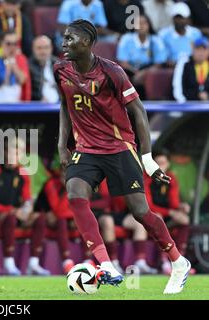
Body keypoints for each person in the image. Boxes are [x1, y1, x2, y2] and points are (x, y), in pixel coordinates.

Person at [56, 19, 191, 293]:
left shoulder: (112, 72)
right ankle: (105, 264)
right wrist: (62, 144)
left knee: (140, 212)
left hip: (119, 147)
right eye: (64, 38)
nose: (64, 43)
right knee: (74, 193)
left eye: (70, 39)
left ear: (88, 43)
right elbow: (65, 104)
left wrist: (148, 158)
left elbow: (139, 111)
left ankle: (178, 262)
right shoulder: (61, 69)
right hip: (87, 149)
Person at [0, 143, 50, 276]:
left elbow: (27, 199)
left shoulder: (23, 173)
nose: (14, 156)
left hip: (16, 214)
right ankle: (8, 263)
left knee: (40, 218)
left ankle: (33, 263)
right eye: (11, 152)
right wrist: (13, 211)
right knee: (11, 218)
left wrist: (26, 211)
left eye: (18, 153)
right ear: (3, 153)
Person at [144, 150, 191, 274]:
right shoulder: (147, 179)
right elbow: (149, 206)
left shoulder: (171, 178)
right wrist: (169, 212)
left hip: (167, 215)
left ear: (168, 163)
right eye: (158, 163)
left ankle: (181, 258)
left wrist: (182, 206)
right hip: (153, 215)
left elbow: (174, 203)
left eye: (164, 163)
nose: (161, 166)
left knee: (184, 218)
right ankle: (164, 261)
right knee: (158, 217)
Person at [98, 195, 158, 274]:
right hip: (101, 213)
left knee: (139, 222)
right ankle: (113, 263)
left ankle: (140, 263)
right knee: (108, 221)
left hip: (120, 213)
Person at [34, 161, 75, 274]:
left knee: (84, 221)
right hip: (50, 218)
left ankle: (88, 261)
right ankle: (66, 262)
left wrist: (72, 216)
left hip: (67, 218)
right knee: (59, 221)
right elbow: (55, 209)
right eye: (64, 171)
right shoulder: (50, 184)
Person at [116, 14, 167, 99]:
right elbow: (123, 62)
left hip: (148, 71)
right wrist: (136, 73)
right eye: (138, 23)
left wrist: (143, 73)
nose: (141, 26)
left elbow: (159, 63)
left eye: (144, 23)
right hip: (130, 71)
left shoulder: (156, 40)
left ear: (149, 25)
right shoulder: (126, 39)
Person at [0, 31, 31, 102]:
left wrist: (12, 62)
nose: (12, 47)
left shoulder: (20, 58)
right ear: (1, 43)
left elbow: (22, 80)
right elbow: (3, 80)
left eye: (15, 44)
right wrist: (8, 60)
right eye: (8, 44)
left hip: (16, 100)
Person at [158, 2, 202, 67]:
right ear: (172, 18)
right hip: (170, 70)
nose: (179, 21)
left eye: (182, 18)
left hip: (193, 68)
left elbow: (200, 54)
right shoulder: (163, 34)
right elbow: (161, 59)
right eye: (176, 18)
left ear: (187, 19)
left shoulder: (196, 33)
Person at [173, 37, 209, 103]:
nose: (201, 53)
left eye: (204, 49)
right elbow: (177, 88)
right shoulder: (184, 63)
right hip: (187, 105)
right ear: (192, 50)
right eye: (198, 49)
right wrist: (184, 105)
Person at [29, 35, 59, 103]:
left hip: (59, 106)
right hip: (38, 107)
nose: (43, 51)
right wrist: (39, 98)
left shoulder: (58, 64)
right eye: (39, 48)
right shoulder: (28, 66)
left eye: (46, 47)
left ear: (51, 48)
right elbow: (29, 90)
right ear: (33, 49)